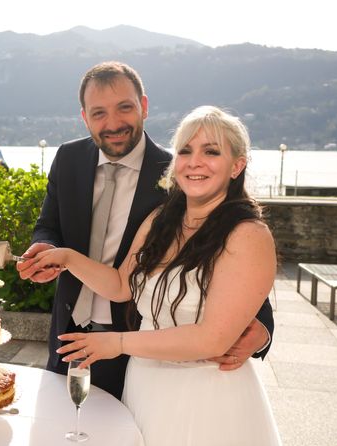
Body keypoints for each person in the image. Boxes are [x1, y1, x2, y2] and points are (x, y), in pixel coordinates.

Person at [31, 105, 291, 446]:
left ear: (236, 166)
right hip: (145, 391)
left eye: (211, 151)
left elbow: (213, 338)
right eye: (185, 150)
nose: (194, 161)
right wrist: (69, 258)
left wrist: (117, 343)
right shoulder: (161, 219)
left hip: (206, 402)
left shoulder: (248, 235)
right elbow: (122, 286)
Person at [17, 61, 273, 399]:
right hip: (69, 338)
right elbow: (49, 227)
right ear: (85, 117)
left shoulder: (179, 174)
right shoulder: (68, 159)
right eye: (98, 113)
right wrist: (49, 252)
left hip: (142, 351)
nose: (112, 123)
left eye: (124, 107)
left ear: (144, 107)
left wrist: (264, 327)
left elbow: (236, 259)